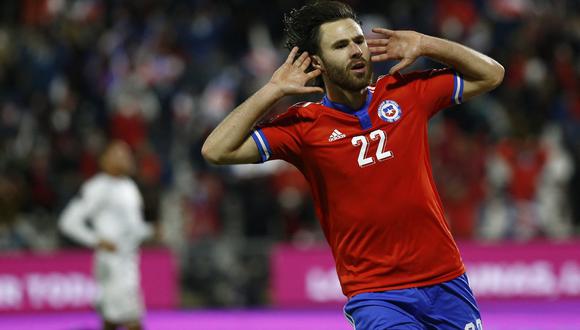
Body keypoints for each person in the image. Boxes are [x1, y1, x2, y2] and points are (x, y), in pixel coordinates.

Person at [202, 1, 504, 328]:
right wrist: (273, 90)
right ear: (317, 62)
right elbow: (216, 151)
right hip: (377, 294)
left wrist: (427, 43)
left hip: (446, 279)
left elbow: (492, 74)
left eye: (358, 41)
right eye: (341, 46)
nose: (356, 51)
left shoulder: (405, 93)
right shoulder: (303, 126)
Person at [59, 141, 152, 330]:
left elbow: (132, 227)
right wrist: (96, 241)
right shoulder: (97, 187)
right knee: (133, 320)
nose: (126, 158)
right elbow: (68, 221)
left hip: (129, 261)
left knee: (112, 319)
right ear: (104, 160)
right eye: (119, 154)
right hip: (112, 264)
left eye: (127, 154)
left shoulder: (129, 186)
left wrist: (150, 230)